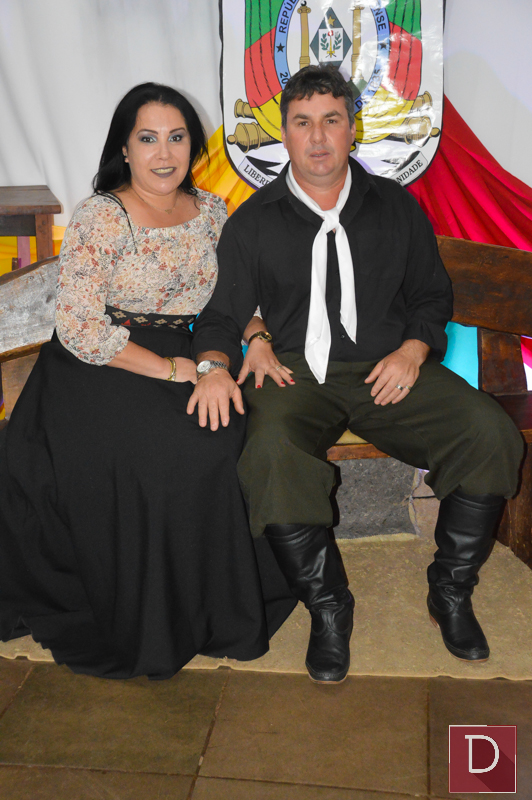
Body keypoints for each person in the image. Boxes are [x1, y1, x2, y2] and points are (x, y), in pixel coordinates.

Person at [188, 66, 524, 684]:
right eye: (302, 123)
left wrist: (414, 351)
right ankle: (328, 607)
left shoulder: (396, 207)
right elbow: (219, 313)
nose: (317, 137)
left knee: (489, 433)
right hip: (293, 374)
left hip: (387, 368)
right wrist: (218, 363)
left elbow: (432, 297)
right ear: (284, 134)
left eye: (331, 120)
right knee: (271, 453)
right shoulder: (252, 221)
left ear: (352, 129)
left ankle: (450, 591)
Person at [0, 82, 296, 680]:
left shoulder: (214, 212)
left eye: (177, 137)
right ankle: (157, 619)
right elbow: (80, 328)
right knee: (170, 452)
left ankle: (214, 609)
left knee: (226, 438)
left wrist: (257, 335)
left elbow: (236, 298)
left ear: (193, 145)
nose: (164, 153)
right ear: (125, 148)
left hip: (193, 349)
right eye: (148, 138)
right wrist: (172, 370)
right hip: (98, 366)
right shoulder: (101, 216)